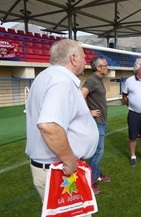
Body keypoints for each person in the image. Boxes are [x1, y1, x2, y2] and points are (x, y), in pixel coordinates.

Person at [25, 39, 99, 215]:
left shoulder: (45, 76)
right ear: (73, 58)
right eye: (83, 56)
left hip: (51, 167)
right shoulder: (61, 81)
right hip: (59, 170)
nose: (85, 60)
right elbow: (49, 126)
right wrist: (69, 161)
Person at [81, 56, 110, 195]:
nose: (107, 67)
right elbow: (81, 95)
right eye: (105, 65)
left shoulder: (98, 79)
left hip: (102, 122)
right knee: (97, 152)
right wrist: (88, 112)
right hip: (97, 123)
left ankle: (97, 173)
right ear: (98, 68)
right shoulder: (92, 80)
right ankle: (90, 181)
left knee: (98, 151)